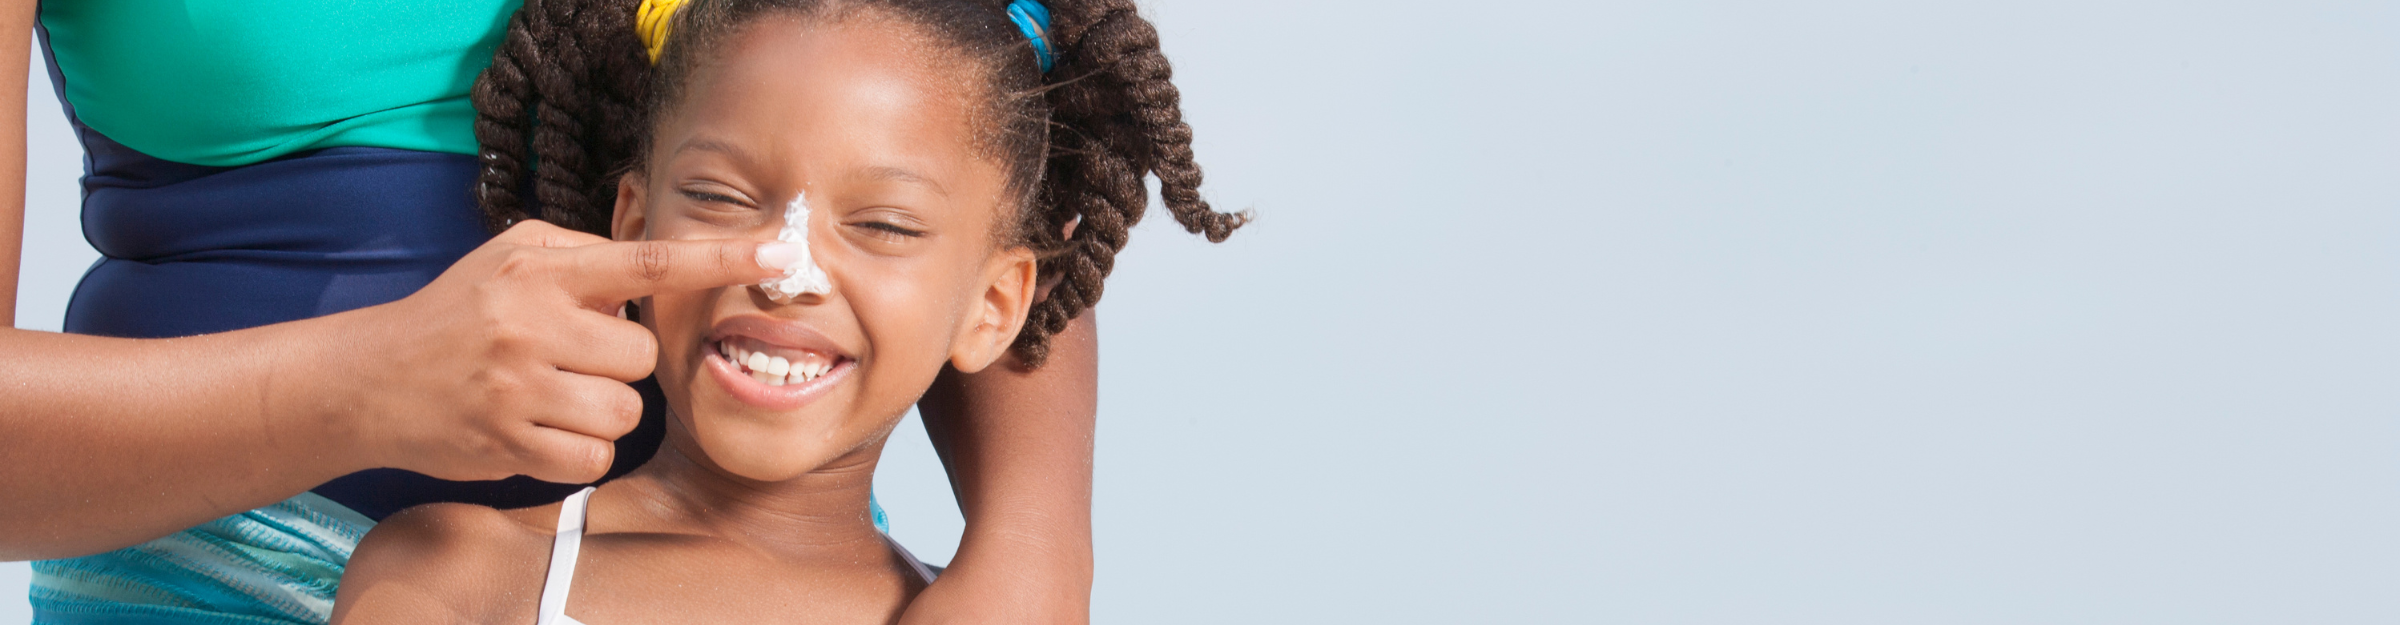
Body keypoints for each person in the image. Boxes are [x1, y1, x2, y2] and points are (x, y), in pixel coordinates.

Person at [0, 0, 1145, 621]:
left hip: (725, 565)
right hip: (208, 571)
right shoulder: (434, 577)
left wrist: (1033, 554)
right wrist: (359, 387)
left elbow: (980, 117)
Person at [329, 0, 1238, 620]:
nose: (786, 269)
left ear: (993, 306)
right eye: (722, 198)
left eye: (882, 223)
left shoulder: (990, 606)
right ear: (633, 228)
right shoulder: (454, 579)